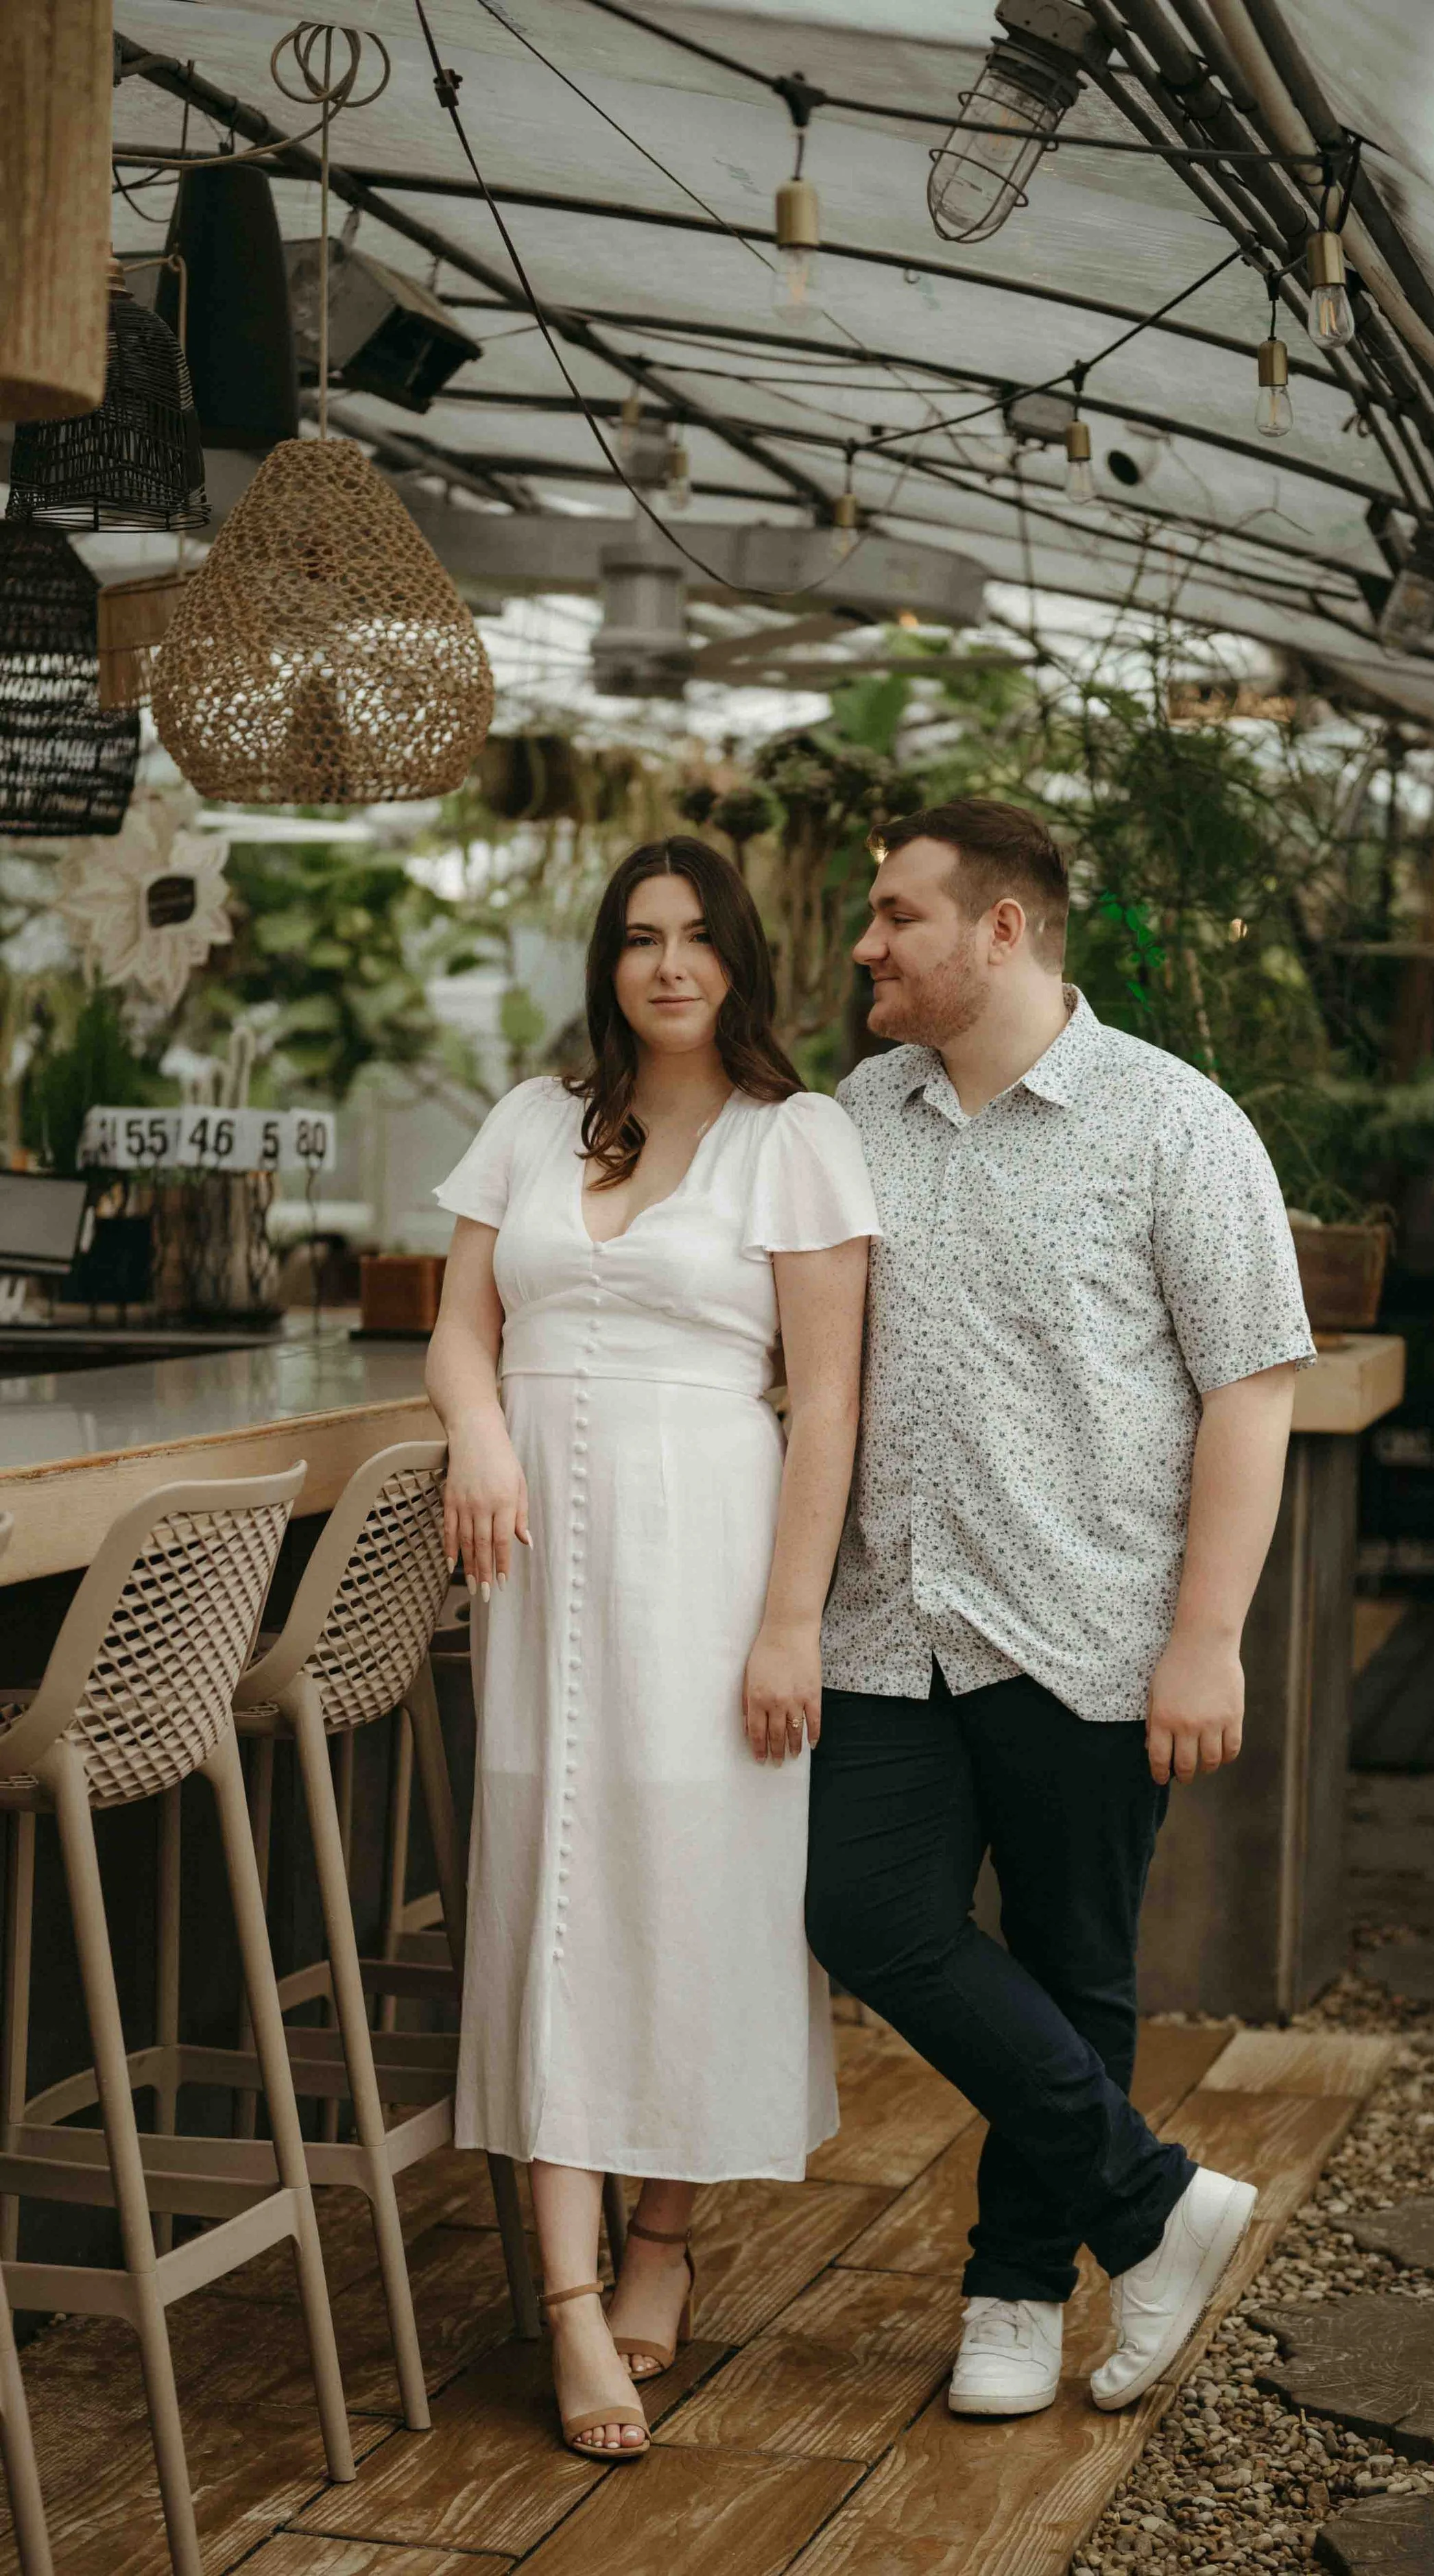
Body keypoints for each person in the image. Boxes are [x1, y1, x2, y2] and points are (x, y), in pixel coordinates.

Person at [806, 798, 1316, 2420]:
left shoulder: (1173, 1122)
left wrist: (1206, 1637)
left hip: (1088, 1621)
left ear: (1002, 928)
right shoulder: (852, 1113)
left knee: (1078, 1958)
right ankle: (1154, 2200)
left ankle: (1018, 2290)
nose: (866, 943)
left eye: (897, 914)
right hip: (886, 1620)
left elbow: (1252, 1389)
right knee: (864, 1912)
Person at [426, 837, 878, 2462]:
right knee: (549, 1891)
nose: (667, 964)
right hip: (537, 1560)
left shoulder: (798, 1137)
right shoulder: (536, 1118)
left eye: (695, 938)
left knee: (689, 1886)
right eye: (638, 938)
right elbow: (459, 1322)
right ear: (607, 962)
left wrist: (788, 1618)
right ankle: (561, 2296)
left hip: (713, 1555)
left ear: (741, 959)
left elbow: (827, 1400)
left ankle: (662, 2235)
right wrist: (483, 1438)